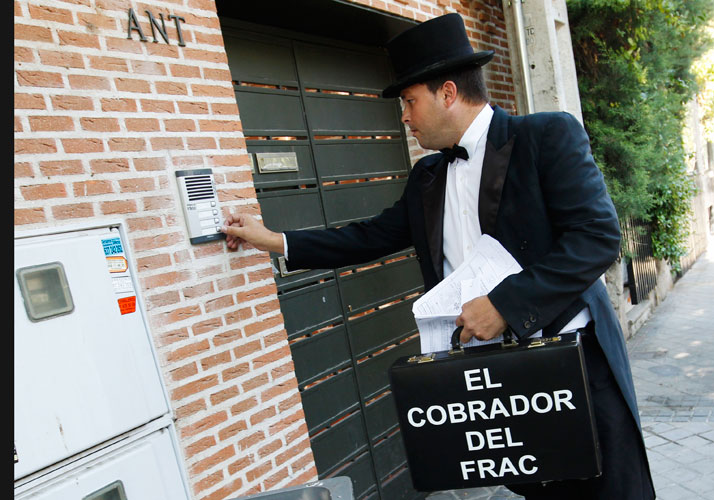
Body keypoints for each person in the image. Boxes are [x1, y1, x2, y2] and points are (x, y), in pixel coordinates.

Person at [221, 13, 655, 500]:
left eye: (409, 101)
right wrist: (273, 239)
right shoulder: (427, 177)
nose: (404, 116)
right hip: (496, 385)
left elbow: (596, 236)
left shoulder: (546, 137)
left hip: (575, 371)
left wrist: (505, 305)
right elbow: (367, 237)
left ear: (448, 93)